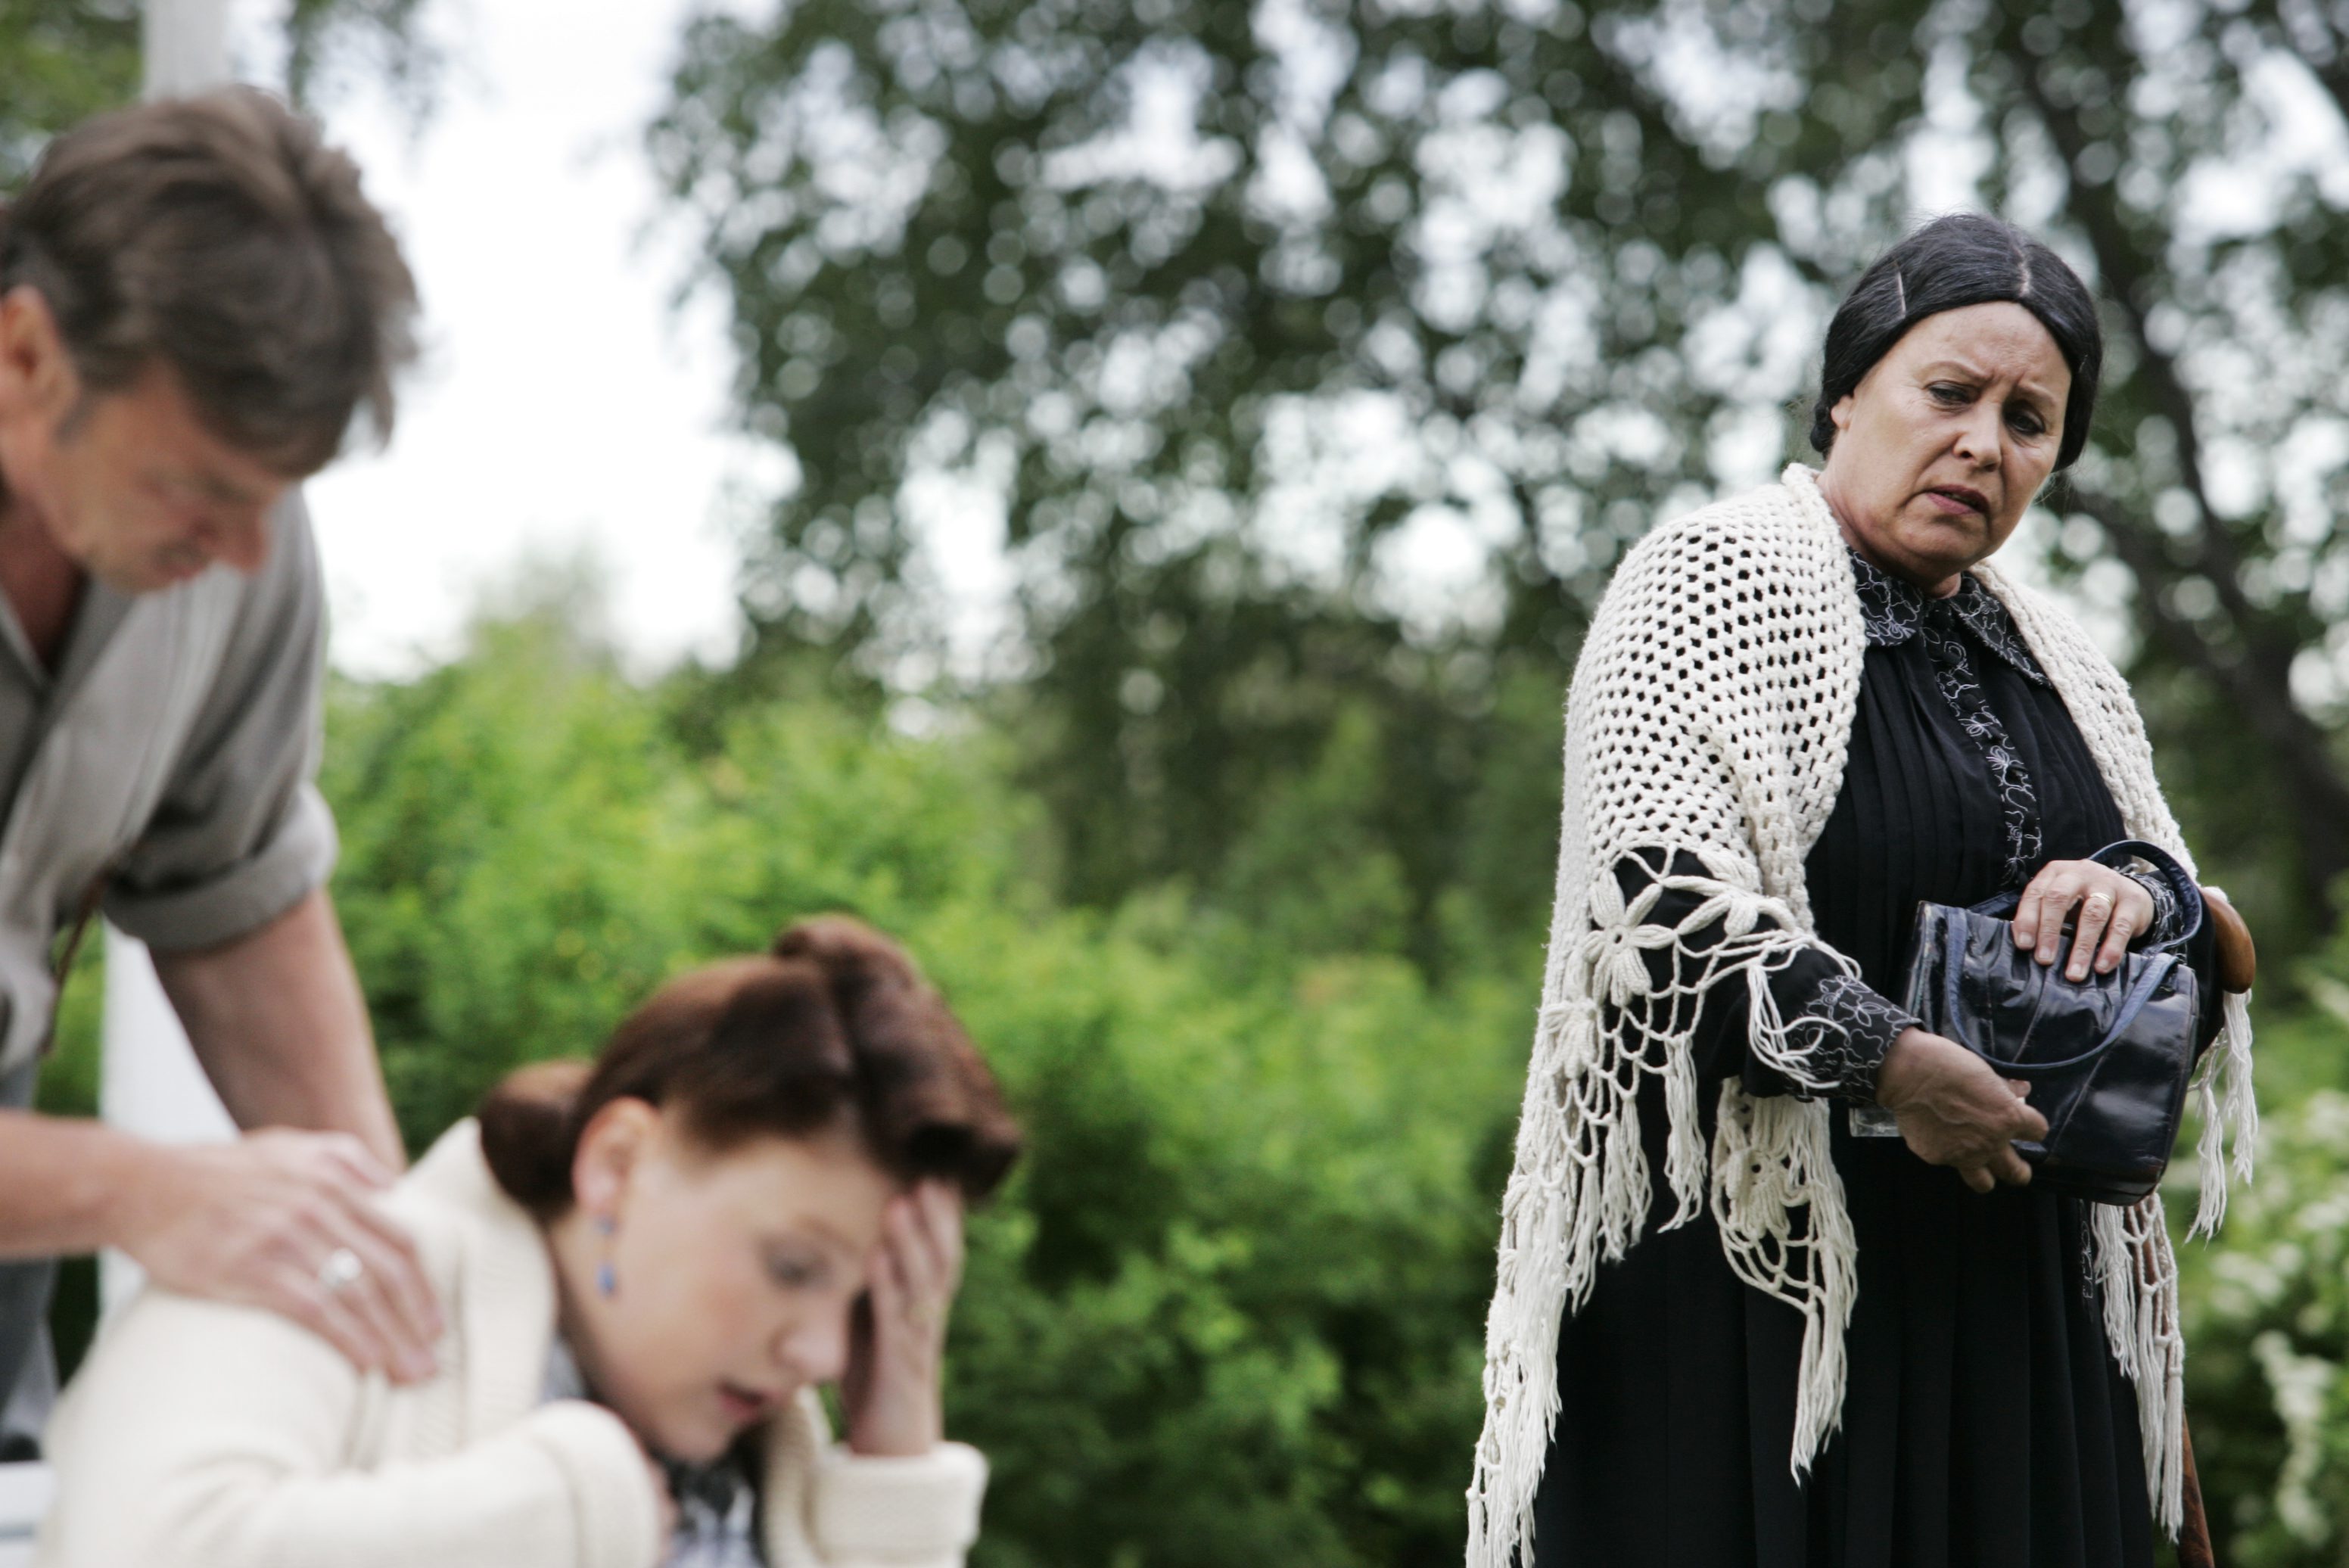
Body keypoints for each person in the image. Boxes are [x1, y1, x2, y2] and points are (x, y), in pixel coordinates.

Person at [1467, 213, 2258, 1568]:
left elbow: (2187, 935)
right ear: (1848, 391)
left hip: (2024, 1326)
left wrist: (2137, 892)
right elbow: (1653, 909)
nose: (1984, 444)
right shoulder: (1706, 585)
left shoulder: (2063, 663)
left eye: (2029, 421)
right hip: (1761, 1310)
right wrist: (1891, 1064)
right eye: (1949, 393)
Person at [34, 913, 1023, 1567]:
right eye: (792, 1267)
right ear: (619, 1165)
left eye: (867, 1300)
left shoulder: (781, 1459)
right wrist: (564, 1509)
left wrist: (894, 1465)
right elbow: (141, 1550)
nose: (822, 1354)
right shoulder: (306, 1262)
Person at [0, 86, 437, 1448]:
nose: (244, 555)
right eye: (201, 489)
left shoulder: (236, 550)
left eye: (273, 496)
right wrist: (146, 1190)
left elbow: (239, 906)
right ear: (27, 356)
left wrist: (409, 1284)